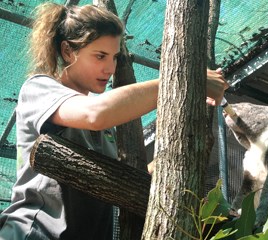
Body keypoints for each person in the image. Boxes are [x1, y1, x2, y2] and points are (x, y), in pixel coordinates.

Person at [0, 2, 227, 240]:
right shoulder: (40, 88)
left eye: (115, 57)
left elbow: (117, 178)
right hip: (34, 234)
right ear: (68, 51)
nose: (110, 68)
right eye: (100, 56)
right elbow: (95, 113)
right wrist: (183, 80)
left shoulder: (105, 127)